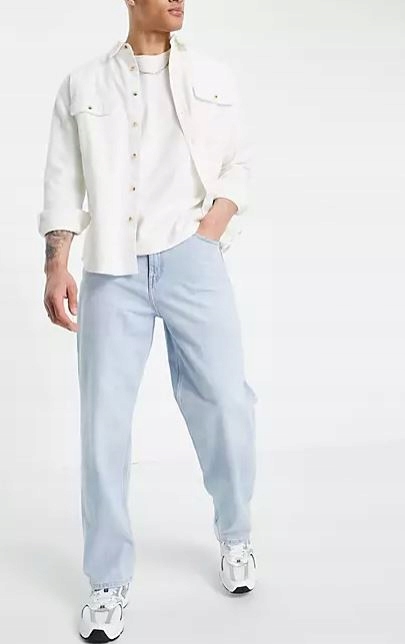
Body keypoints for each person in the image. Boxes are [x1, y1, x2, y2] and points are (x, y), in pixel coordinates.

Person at [38, 0, 258, 641]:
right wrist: (56, 263)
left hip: (192, 258)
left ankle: (236, 534)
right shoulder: (82, 84)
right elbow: (62, 183)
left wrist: (209, 231)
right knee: (103, 423)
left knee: (226, 402)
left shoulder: (213, 76)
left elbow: (239, 164)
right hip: (112, 270)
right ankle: (106, 579)